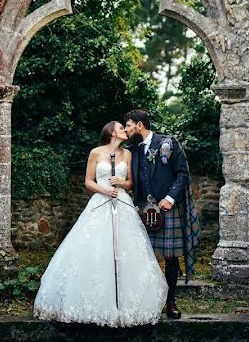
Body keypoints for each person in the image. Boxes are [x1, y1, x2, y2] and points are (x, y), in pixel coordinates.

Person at [33, 121, 168, 327]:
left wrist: (120, 183)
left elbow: (131, 183)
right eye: (121, 127)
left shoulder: (128, 154)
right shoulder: (96, 152)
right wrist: (105, 189)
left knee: (126, 250)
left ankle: (125, 304)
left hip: (121, 203)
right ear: (112, 132)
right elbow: (88, 181)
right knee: (96, 248)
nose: (125, 130)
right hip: (101, 202)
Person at [125, 108, 201, 319]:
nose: (126, 130)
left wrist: (169, 198)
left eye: (129, 126)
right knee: (140, 257)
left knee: (170, 257)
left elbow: (182, 174)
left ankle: (170, 302)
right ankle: (146, 301)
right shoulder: (134, 150)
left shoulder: (168, 143)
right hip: (141, 210)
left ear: (139, 125)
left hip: (166, 209)